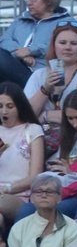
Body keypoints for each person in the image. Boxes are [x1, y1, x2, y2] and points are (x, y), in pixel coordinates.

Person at [7, 172, 77, 247]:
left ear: (59, 197)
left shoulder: (71, 227)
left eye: (49, 191)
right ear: (31, 198)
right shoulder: (19, 228)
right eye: (38, 191)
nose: (43, 195)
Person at [25, 22, 77, 130]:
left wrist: (45, 115)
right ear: (54, 46)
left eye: (74, 43)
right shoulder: (38, 75)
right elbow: (25, 116)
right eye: (62, 42)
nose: (68, 47)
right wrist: (45, 90)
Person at [0, 0, 73, 86]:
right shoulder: (21, 20)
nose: (29, 2)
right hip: (15, 68)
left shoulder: (66, 22)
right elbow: (4, 40)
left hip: (41, 75)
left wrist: (31, 50)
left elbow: (63, 47)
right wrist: (20, 54)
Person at [0, 80, 46, 223]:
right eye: (0, 106)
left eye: (10, 106)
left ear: (19, 107)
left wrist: (7, 189)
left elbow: (35, 176)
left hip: (19, 195)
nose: (4, 112)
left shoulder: (32, 130)